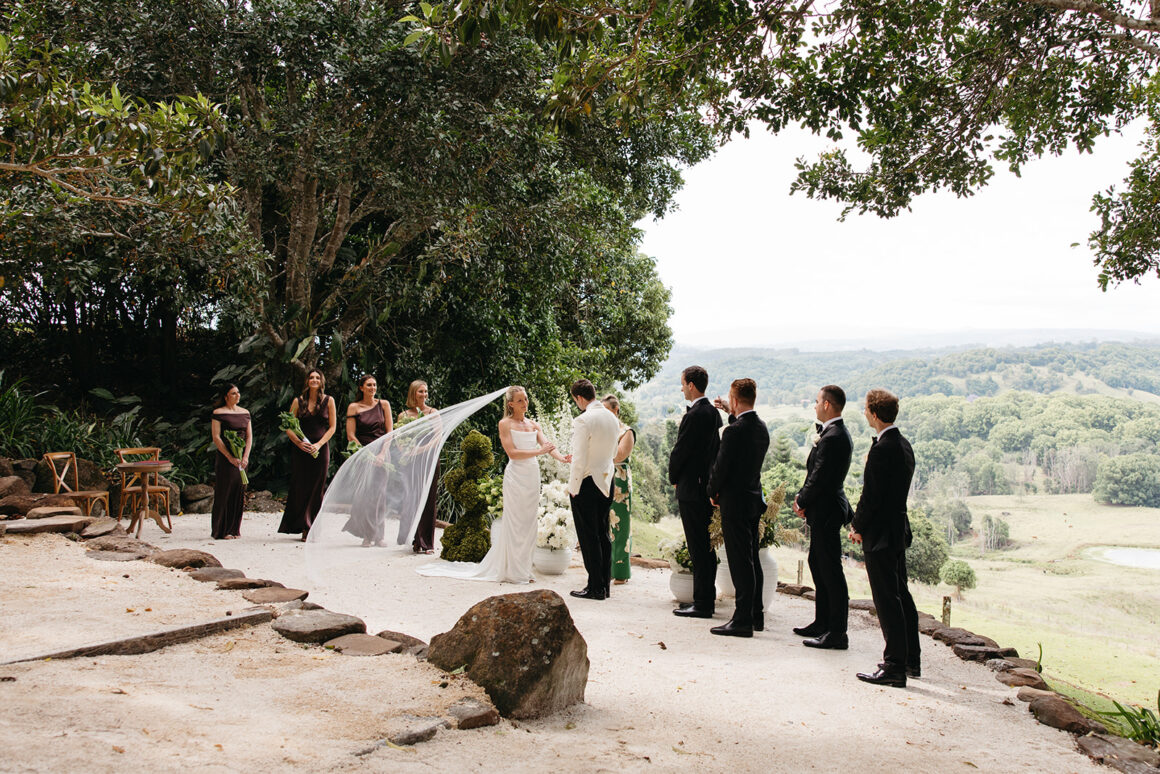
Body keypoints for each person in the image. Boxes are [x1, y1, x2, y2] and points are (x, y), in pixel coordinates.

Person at [417, 385, 566, 583]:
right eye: (520, 400)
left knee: (529, 524)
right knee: (514, 522)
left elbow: (548, 446)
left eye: (526, 399)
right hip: (516, 476)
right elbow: (512, 453)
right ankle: (512, 571)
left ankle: (524, 569)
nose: (525, 403)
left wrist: (562, 458)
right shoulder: (505, 423)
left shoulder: (533, 424)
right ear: (511, 404)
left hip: (532, 475)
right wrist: (539, 452)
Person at [850, 388, 920, 687]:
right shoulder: (902, 444)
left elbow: (872, 496)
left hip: (880, 533)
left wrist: (857, 525)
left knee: (887, 599)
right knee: (901, 595)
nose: (864, 413)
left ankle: (894, 667)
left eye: (866, 409)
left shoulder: (882, 449)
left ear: (875, 414)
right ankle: (909, 659)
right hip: (896, 529)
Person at [707, 379, 770, 637]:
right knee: (752, 557)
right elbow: (742, 432)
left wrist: (711, 491)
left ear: (734, 400)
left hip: (734, 501)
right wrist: (730, 411)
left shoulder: (733, 432)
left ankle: (742, 620)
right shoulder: (761, 428)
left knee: (740, 560)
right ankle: (756, 615)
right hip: (753, 498)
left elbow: (721, 467)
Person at [792, 384, 854, 649]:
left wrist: (801, 500)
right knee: (817, 562)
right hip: (823, 508)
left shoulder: (834, 436)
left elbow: (820, 476)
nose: (815, 405)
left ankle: (837, 632)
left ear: (827, 405)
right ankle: (822, 621)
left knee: (830, 569)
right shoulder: (832, 433)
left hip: (827, 509)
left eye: (817, 401)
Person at [668, 365, 722, 618]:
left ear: (691, 385)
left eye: (682, 383)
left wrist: (674, 476)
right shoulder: (712, 412)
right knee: (705, 548)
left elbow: (681, 450)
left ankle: (702, 604)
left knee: (698, 547)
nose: (681, 388)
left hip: (692, 488)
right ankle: (704, 600)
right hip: (706, 486)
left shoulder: (696, 414)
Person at [567, 378, 620, 600]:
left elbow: (579, 459)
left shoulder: (583, 420)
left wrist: (573, 487)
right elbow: (613, 452)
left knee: (589, 537)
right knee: (603, 534)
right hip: (606, 481)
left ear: (579, 398)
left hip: (587, 482)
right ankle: (604, 586)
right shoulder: (612, 418)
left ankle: (594, 587)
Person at [278, 369, 337, 541]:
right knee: (301, 486)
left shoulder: (329, 400)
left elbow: (332, 427)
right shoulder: (298, 401)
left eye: (317, 377)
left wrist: (319, 444)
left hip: (320, 449)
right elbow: (288, 425)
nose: (314, 380)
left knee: (317, 488)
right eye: (311, 377)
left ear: (322, 381)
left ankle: (312, 527)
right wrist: (298, 443)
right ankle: (303, 525)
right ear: (307, 381)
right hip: (301, 450)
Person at [342, 374, 393, 546]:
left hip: (382, 455)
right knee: (364, 496)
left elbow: (390, 433)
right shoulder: (353, 407)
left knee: (379, 495)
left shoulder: (384, 405)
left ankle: (377, 536)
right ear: (361, 388)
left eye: (374, 385)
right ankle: (367, 533)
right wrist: (367, 454)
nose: (372, 388)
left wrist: (381, 454)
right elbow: (350, 435)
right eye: (369, 385)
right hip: (362, 453)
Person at [398, 380, 440, 554]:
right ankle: (416, 539)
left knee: (429, 500)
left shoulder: (433, 413)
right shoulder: (404, 415)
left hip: (429, 459)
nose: (424, 395)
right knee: (412, 498)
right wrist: (407, 451)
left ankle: (428, 543)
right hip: (410, 462)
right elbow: (399, 438)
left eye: (426, 391)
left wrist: (420, 450)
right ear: (413, 393)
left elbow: (438, 437)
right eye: (420, 392)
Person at [210, 383, 251, 540]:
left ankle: (235, 529)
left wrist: (245, 457)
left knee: (239, 491)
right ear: (226, 396)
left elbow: (249, 436)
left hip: (242, 458)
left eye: (238, 392)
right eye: (233, 393)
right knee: (224, 491)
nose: (237, 395)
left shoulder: (245, 413)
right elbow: (216, 437)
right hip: (226, 457)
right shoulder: (218, 413)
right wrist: (230, 457)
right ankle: (222, 530)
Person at [602, 394, 636, 585]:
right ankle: (605, 568)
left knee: (620, 524)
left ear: (616, 410)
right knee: (603, 523)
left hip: (620, 480)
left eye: (607, 411)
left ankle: (621, 571)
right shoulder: (602, 430)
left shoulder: (627, 431)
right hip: (602, 477)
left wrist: (600, 452)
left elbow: (621, 454)